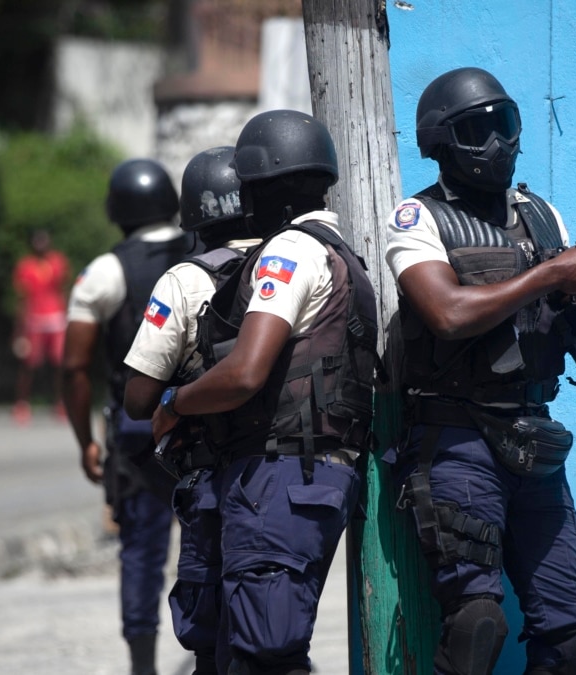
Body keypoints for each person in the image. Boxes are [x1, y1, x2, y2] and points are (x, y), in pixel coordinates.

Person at [384, 67, 576, 675]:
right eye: (479, 129)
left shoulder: (541, 216)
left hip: (534, 437)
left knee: (570, 627)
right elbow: (446, 314)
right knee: (477, 625)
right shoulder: (416, 219)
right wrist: (554, 274)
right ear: (442, 143)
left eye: (505, 125)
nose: (498, 143)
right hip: (456, 440)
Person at [151, 110, 380, 675]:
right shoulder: (344, 253)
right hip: (308, 476)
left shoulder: (291, 251)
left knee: (263, 655)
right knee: (249, 652)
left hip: (280, 476)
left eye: (251, 191)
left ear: (271, 190)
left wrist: (173, 405)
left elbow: (246, 373)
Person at [122, 146, 259, 675]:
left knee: (209, 632)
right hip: (287, 471)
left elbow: (138, 398)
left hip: (210, 473)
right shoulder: (291, 263)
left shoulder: (185, 279)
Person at [63, 158, 191, 675]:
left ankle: (143, 666)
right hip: (207, 422)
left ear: (117, 210)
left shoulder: (105, 272)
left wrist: (84, 443)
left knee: (141, 553)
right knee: (224, 541)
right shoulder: (202, 249)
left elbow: (74, 366)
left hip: (139, 437)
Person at [11, 229, 70, 424]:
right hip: (34, 319)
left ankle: (61, 402)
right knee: (28, 363)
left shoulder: (58, 262)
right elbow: (21, 298)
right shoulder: (25, 266)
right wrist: (19, 331)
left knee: (60, 362)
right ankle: (22, 403)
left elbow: (63, 289)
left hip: (56, 317)